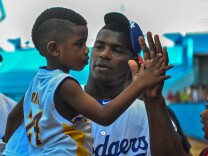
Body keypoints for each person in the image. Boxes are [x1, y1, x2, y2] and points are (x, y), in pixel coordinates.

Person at [2, 7, 171, 155]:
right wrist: (140, 83)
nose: (87, 51)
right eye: (81, 44)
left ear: (132, 61)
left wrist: (10, 148)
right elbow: (104, 115)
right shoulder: (66, 85)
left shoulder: (37, 82)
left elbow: (12, 118)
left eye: (117, 49)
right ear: (54, 49)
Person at [84, 12, 191, 156]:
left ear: (133, 62)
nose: (104, 54)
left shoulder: (151, 113)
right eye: (99, 46)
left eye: (117, 50)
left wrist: (153, 100)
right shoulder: (61, 101)